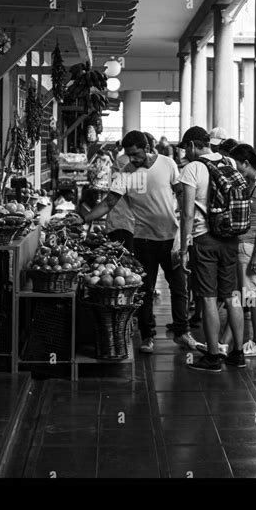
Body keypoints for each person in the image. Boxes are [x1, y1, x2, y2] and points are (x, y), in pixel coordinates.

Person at [80, 130, 203, 354]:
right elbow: (108, 203)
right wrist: (83, 218)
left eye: (135, 154)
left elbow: (181, 195)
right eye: (128, 155)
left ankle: (182, 332)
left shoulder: (168, 164)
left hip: (172, 239)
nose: (132, 159)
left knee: (179, 288)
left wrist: (186, 224)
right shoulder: (126, 173)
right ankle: (147, 336)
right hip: (144, 240)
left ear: (146, 148)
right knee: (144, 290)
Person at [178, 127, 246, 372]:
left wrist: (184, 246)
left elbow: (187, 214)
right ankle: (238, 354)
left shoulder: (192, 168)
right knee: (231, 295)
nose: (185, 152)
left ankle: (213, 357)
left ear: (194, 145)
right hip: (230, 238)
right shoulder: (229, 162)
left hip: (204, 238)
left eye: (186, 147)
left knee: (207, 297)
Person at [228, 143, 256, 357]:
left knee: (254, 295)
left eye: (237, 164)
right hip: (243, 245)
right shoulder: (248, 184)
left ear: (246, 163)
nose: (235, 168)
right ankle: (228, 341)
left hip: (251, 247)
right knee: (242, 294)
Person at [105, 152, 135, 252]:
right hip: (123, 222)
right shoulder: (125, 163)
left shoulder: (124, 161)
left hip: (124, 221)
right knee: (125, 260)